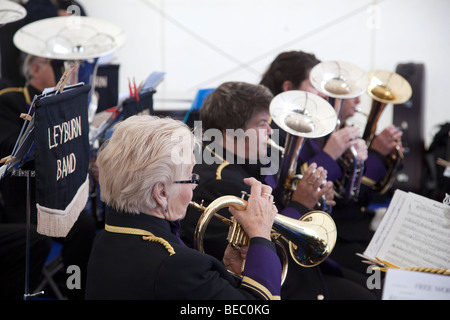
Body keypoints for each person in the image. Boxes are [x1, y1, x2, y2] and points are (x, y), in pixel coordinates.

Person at [180, 81, 377, 300]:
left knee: (372, 286)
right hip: (280, 285)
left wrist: (314, 199)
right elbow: (254, 252)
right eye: (262, 123)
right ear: (231, 133)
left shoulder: (249, 164)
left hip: (298, 270)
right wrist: (301, 204)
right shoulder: (218, 183)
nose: (270, 131)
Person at [85, 115, 282, 300]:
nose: (194, 187)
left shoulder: (106, 237)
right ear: (161, 193)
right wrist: (261, 234)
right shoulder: (178, 265)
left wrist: (227, 269)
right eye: (190, 177)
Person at [260, 50, 403, 288]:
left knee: (391, 278)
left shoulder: (320, 130)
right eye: (316, 85)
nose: (324, 94)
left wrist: (374, 158)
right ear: (288, 87)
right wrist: (331, 154)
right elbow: (285, 189)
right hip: (308, 239)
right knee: (376, 286)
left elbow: (354, 192)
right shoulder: (272, 134)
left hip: (334, 229)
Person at [0, 54, 96, 299]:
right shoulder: (9, 100)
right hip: (24, 198)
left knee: (84, 225)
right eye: (56, 66)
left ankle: (73, 288)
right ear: (35, 68)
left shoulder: (59, 103)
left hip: (55, 192)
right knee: (38, 237)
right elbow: (9, 148)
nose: (62, 70)